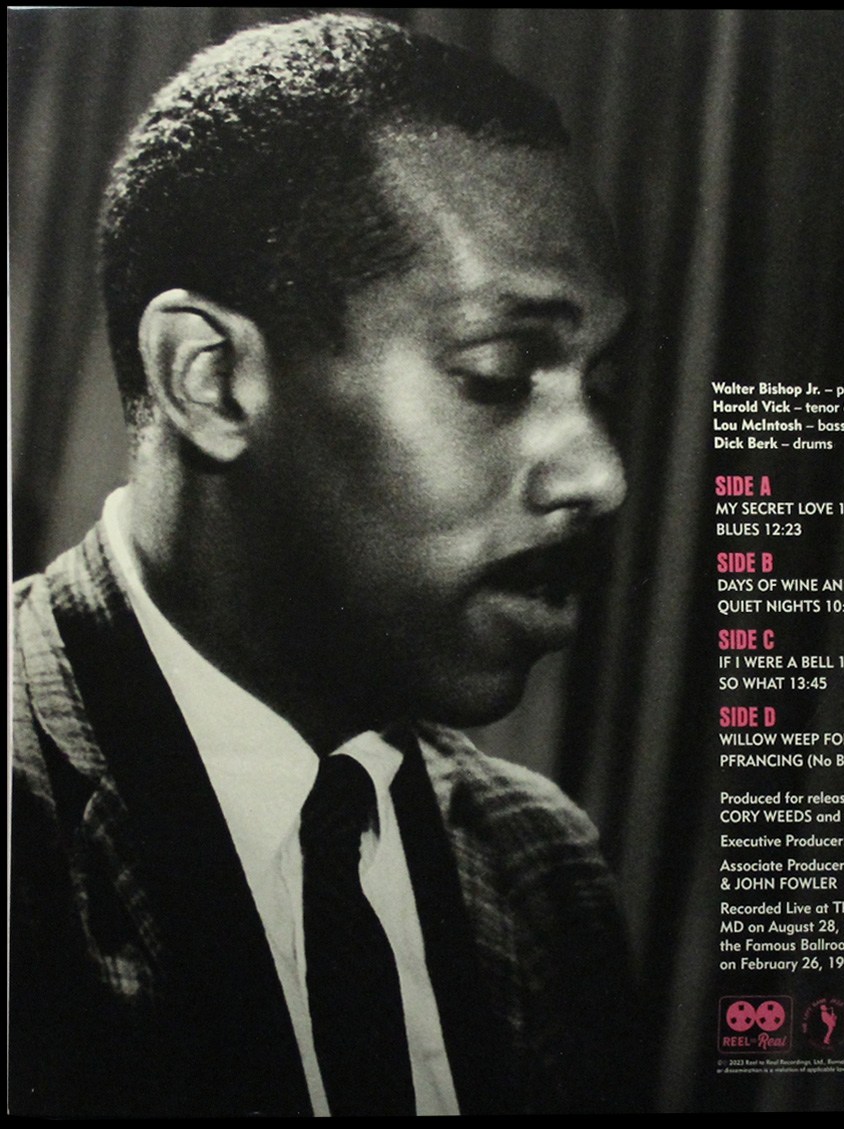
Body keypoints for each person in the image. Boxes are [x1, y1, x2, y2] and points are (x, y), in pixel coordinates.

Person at [9, 13, 637, 1117]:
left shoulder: (545, 861)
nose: (600, 474)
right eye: (498, 374)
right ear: (209, 380)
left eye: (599, 388)